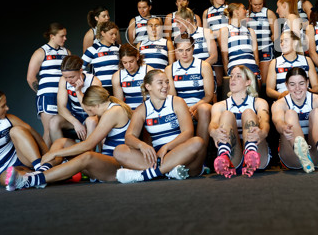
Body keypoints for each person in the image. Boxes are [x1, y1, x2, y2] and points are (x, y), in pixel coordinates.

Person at [4, 86, 133, 190]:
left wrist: (55, 153)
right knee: (61, 142)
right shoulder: (107, 111)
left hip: (116, 168)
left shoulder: (114, 111)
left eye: (89, 110)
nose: (90, 114)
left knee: (88, 155)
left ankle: (30, 180)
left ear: (96, 105)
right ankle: (41, 171)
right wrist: (57, 151)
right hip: (103, 165)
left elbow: (89, 145)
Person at [113, 70, 206, 183]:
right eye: (160, 82)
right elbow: (129, 137)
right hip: (157, 159)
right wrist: (142, 145)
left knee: (197, 142)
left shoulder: (177, 102)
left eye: (167, 82)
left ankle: (147, 175)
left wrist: (167, 147)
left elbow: (188, 132)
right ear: (148, 86)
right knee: (119, 151)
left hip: (182, 154)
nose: (165, 86)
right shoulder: (142, 109)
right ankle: (168, 172)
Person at [209, 65, 271, 178]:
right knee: (227, 114)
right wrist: (213, 132)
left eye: (238, 76)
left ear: (248, 82)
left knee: (248, 112)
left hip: (258, 155)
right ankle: (224, 155)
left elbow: (265, 122)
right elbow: (212, 124)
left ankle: (251, 152)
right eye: (231, 76)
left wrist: (262, 133)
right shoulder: (219, 106)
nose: (232, 79)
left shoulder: (259, 102)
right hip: (235, 155)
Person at [271, 68, 318, 173]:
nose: (297, 88)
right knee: (290, 113)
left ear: (307, 83)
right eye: (292, 84)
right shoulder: (280, 104)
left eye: (301, 83)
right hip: (292, 155)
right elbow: (277, 121)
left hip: (314, 153)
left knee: (317, 112)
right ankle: (301, 150)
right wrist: (283, 127)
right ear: (286, 85)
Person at [166, 34, 214, 167]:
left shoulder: (203, 66)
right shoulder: (170, 69)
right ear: (175, 50)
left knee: (205, 109)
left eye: (187, 49)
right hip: (180, 108)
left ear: (193, 49)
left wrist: (193, 108)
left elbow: (209, 95)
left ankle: (201, 159)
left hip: (199, 105)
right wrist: (184, 110)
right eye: (180, 50)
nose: (184, 53)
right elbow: (173, 98)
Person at [26, 22, 70, 146]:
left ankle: (62, 160)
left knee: (62, 129)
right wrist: (43, 93)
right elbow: (30, 78)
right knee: (49, 131)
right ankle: (45, 162)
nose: (65, 38)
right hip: (47, 97)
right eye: (62, 36)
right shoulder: (41, 52)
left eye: (65, 35)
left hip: (64, 97)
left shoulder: (66, 52)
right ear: (52, 36)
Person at [49, 55, 101, 143]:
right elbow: (61, 108)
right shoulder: (63, 80)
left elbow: (91, 113)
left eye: (72, 77)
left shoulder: (94, 81)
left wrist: (78, 92)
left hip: (92, 116)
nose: (69, 81)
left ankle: (87, 155)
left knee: (90, 121)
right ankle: (60, 153)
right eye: (66, 77)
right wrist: (75, 122)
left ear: (81, 71)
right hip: (76, 116)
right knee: (54, 121)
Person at [266, 31, 318, 101]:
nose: (282, 44)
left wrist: (305, 92)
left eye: (285, 40)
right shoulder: (275, 62)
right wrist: (282, 95)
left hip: (306, 99)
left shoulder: (307, 60)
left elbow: (317, 87)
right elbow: (269, 90)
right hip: (284, 101)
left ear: (295, 42)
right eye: (281, 41)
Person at [219, 2, 261, 87]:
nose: (246, 11)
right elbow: (224, 57)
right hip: (235, 69)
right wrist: (229, 75)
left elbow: (256, 57)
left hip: (252, 68)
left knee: (255, 97)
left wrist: (256, 71)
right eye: (244, 9)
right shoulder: (225, 30)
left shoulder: (250, 31)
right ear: (236, 12)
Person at [246, 0, 277, 86]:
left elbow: (276, 35)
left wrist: (274, 37)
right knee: (253, 81)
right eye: (255, 4)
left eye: (260, 4)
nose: (258, 7)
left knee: (264, 81)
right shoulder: (245, 14)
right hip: (251, 50)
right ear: (250, 2)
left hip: (265, 48)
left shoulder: (269, 13)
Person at [81, 20, 120, 95]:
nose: (114, 37)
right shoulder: (92, 49)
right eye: (111, 34)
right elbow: (79, 68)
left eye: (115, 34)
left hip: (117, 87)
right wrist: (91, 79)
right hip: (101, 88)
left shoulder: (119, 48)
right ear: (103, 33)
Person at [111, 43, 153, 110]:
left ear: (137, 57)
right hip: (129, 112)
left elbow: (156, 97)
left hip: (148, 110)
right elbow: (120, 103)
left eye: (131, 61)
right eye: (125, 63)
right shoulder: (117, 76)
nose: (128, 66)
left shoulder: (148, 71)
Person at [202, 0, 228, 89]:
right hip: (215, 49)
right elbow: (205, 33)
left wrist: (216, 33)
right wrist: (216, 34)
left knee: (231, 77)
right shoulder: (206, 12)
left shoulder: (228, 8)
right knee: (219, 81)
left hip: (228, 47)